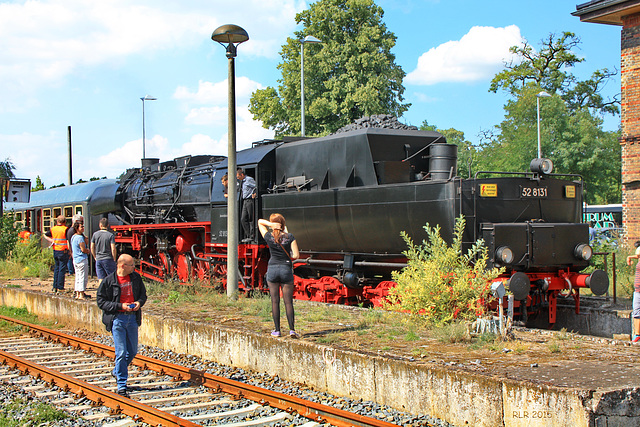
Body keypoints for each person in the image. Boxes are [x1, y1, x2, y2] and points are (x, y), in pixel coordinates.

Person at [96, 254, 147, 398]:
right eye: (131, 265)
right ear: (122, 266)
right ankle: (122, 385)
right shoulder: (108, 281)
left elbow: (143, 295)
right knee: (121, 352)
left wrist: (138, 303)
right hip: (117, 319)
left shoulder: (135, 278)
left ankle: (117, 371)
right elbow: (101, 302)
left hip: (132, 318)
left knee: (132, 351)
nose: (134, 267)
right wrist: (120, 306)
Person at [258, 214, 300, 338]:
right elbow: (296, 256)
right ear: (283, 223)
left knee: (275, 301)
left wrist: (271, 225)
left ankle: (277, 330)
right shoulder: (290, 237)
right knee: (288, 302)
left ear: (273, 224)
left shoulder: (268, 237)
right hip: (285, 269)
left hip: (272, 269)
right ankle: (292, 330)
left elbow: (260, 222)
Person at [43, 215, 69, 293]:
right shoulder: (65, 229)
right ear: (64, 222)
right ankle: (60, 287)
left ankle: (55, 286)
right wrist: (70, 251)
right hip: (63, 251)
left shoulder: (53, 229)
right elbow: (67, 240)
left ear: (57, 221)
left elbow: (45, 235)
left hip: (55, 250)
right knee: (62, 269)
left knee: (56, 269)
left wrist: (51, 240)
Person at [70, 222, 90, 299]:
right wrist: (87, 250)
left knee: (77, 277)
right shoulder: (80, 238)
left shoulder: (73, 237)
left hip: (75, 259)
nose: (83, 228)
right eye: (81, 227)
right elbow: (83, 249)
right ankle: (81, 294)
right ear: (77, 228)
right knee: (83, 277)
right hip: (82, 259)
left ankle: (78, 293)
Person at [237, 168, 257, 242]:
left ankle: (252, 236)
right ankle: (248, 235)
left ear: (242, 175)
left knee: (250, 218)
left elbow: (256, 186)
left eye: (238, 176)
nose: (237, 178)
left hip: (249, 200)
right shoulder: (242, 181)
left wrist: (254, 193)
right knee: (243, 219)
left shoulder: (249, 179)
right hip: (245, 201)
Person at [626, 240, 640, 343]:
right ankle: (637, 335)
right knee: (636, 312)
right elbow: (637, 255)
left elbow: (638, 254)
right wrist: (629, 257)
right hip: (638, 290)